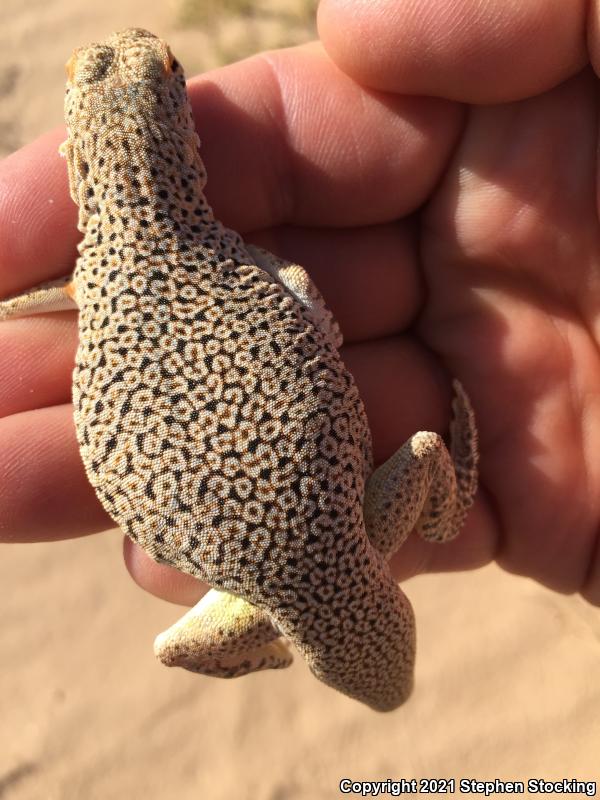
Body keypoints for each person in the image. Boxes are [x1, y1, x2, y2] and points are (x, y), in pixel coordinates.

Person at [0, 0, 598, 609]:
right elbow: (296, 288)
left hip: (276, 575)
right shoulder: (194, 250)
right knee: (423, 456)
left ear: (77, 146)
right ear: (179, 125)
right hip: (347, 539)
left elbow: (66, 298)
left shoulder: (98, 272)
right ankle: (442, 515)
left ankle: (262, 626)